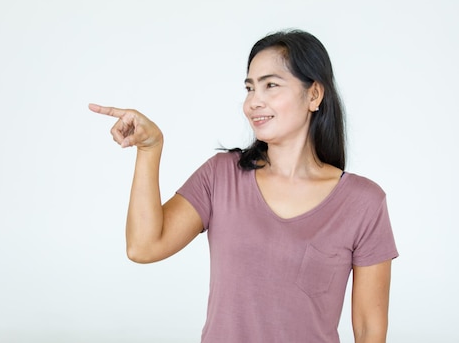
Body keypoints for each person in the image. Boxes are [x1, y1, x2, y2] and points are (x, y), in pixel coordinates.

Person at [89, 29, 398, 343]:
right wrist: (149, 149)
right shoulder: (221, 176)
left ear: (314, 95)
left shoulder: (363, 203)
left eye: (271, 85)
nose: (253, 102)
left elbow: (369, 328)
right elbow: (143, 247)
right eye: (250, 88)